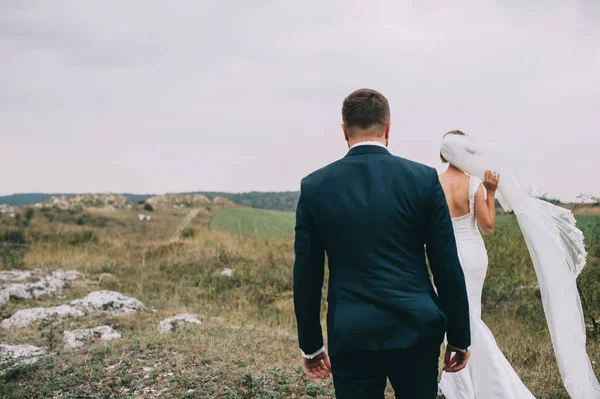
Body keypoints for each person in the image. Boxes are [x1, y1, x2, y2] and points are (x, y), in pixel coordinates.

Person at [293, 88, 471, 399]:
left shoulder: (315, 187)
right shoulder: (424, 179)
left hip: (352, 330)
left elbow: (307, 274)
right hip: (417, 327)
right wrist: (459, 335)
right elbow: (446, 263)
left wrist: (311, 343)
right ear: (388, 128)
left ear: (344, 131)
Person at [437, 130, 535, 398]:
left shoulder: (433, 183)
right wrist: (490, 192)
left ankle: (461, 383)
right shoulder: (474, 184)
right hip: (473, 252)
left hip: (444, 255)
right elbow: (488, 226)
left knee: (452, 314)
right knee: (470, 316)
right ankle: (475, 381)